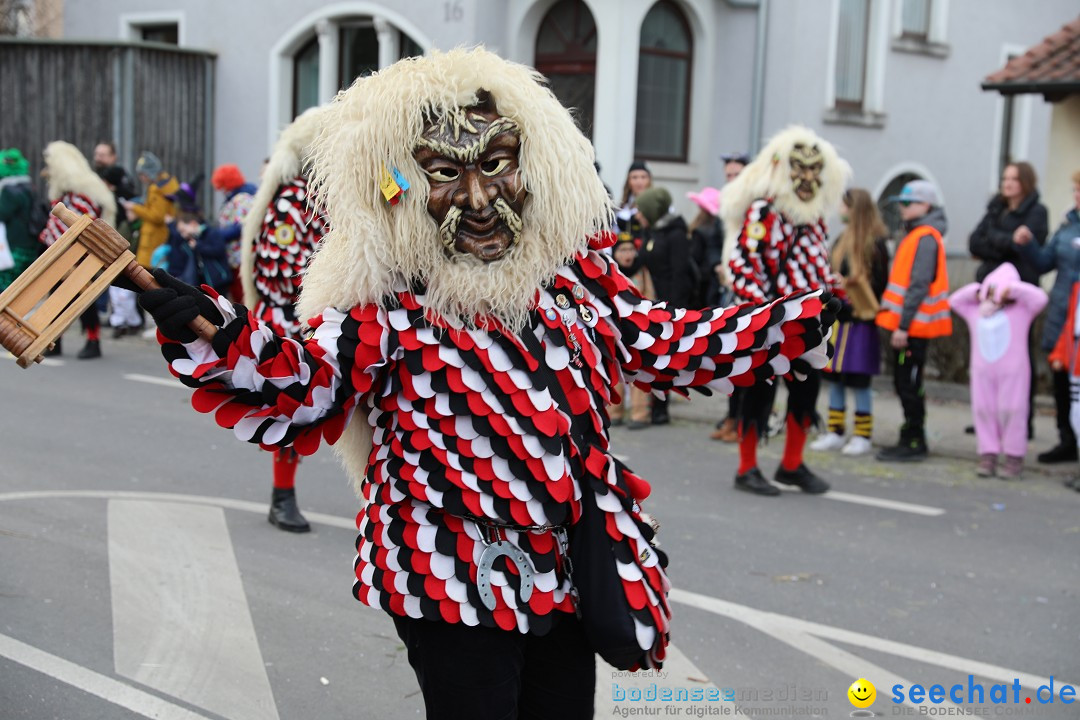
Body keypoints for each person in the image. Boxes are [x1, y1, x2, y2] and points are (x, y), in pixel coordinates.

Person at [134, 48, 836, 719]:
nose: (476, 199)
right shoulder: (391, 304)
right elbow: (298, 381)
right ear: (402, 186)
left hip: (560, 575)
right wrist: (212, 327)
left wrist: (791, 322)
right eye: (444, 172)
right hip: (447, 576)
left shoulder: (571, 284)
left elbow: (663, 340)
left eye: (497, 165)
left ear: (531, 165)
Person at [722, 126, 848, 496]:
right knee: (758, 393)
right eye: (799, 168)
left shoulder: (817, 219)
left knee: (806, 391)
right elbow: (743, 265)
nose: (807, 178)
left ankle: (792, 464)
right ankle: (747, 468)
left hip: (810, 323)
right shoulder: (764, 212)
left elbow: (815, 266)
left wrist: (831, 287)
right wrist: (762, 313)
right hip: (772, 321)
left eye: (814, 169)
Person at [238, 107, 328, 533]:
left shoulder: (324, 197)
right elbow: (281, 274)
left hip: (319, 321)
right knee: (293, 416)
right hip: (292, 324)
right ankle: (282, 497)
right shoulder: (293, 201)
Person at [875, 180, 952, 461]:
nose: (902, 208)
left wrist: (904, 326)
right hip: (909, 327)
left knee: (909, 383)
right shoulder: (917, 235)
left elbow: (919, 285)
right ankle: (909, 437)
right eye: (901, 203)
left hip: (913, 329)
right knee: (904, 382)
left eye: (907, 203)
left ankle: (914, 441)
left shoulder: (925, 238)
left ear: (925, 205)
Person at [810, 188, 890, 456]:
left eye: (844, 207)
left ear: (855, 209)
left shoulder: (874, 244)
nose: (840, 211)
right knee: (834, 377)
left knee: (859, 379)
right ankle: (834, 431)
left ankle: (862, 435)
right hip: (838, 319)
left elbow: (879, 282)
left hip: (860, 320)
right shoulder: (840, 239)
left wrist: (854, 289)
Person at [950, 263, 1047, 478]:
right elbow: (954, 301)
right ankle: (988, 453)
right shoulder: (976, 311)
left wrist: (1014, 290)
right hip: (982, 371)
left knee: (1012, 410)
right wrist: (977, 291)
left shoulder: (1021, 311)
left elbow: (1040, 298)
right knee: (983, 410)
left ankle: (1014, 456)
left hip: (1014, 372)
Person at [1016, 169, 1080, 464]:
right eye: (1076, 190)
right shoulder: (1067, 227)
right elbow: (1044, 263)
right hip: (1061, 314)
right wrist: (1028, 244)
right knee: (1060, 383)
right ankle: (1067, 440)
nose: (1077, 196)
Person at [38, 141, 117, 359]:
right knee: (56, 299)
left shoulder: (84, 191)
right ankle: (55, 340)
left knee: (82, 298)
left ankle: (93, 340)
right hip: (62, 253)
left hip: (78, 253)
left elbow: (83, 223)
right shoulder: (70, 191)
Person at [635, 185, 695, 426]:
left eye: (641, 211)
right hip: (653, 304)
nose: (637, 215)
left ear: (652, 210)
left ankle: (661, 408)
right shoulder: (653, 232)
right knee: (653, 358)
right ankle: (651, 404)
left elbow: (680, 275)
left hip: (669, 308)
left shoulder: (675, 235)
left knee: (665, 359)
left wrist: (674, 312)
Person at [607, 235, 655, 430]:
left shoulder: (642, 270)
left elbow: (650, 295)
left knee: (639, 370)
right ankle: (614, 412)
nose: (627, 254)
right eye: (622, 250)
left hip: (638, 327)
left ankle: (640, 413)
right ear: (615, 253)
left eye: (630, 250)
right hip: (615, 327)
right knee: (615, 371)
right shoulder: (609, 271)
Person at [120, 151, 179, 269]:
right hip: (155, 238)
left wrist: (134, 208)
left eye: (143, 174)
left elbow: (157, 216)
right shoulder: (165, 186)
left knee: (146, 276)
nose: (141, 178)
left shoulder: (157, 189)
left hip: (152, 241)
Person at [211, 163, 258, 300]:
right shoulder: (237, 197)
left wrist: (217, 235)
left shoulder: (242, 198)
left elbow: (241, 226)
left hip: (239, 256)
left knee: (241, 295)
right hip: (236, 256)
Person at [164, 210, 235, 296]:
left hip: (219, 280)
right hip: (206, 282)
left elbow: (218, 250)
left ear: (193, 223)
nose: (183, 235)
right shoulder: (191, 240)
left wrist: (198, 246)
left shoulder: (211, 233)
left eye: (183, 230)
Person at [0, 149, 40, 293]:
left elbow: (2, 214)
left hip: (13, 245)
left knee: (5, 285)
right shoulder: (28, 187)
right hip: (29, 243)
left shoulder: (9, 190)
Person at [615, 161, 651, 249]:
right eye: (634, 177)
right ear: (628, 181)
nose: (639, 182)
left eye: (643, 177)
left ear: (649, 180)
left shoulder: (658, 205)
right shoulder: (622, 206)